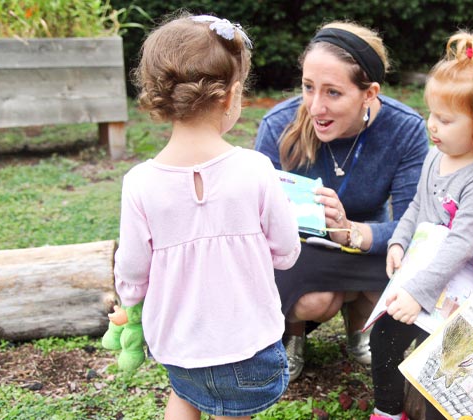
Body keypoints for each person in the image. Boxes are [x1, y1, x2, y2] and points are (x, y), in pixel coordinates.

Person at [113, 13, 301, 420]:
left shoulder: (140, 182)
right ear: (231, 95)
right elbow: (286, 251)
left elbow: (131, 268)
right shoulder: (255, 169)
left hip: (179, 347)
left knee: (184, 396)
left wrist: (130, 301)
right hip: (249, 344)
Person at [254, 21, 430, 382]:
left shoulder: (404, 128)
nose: (316, 107)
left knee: (400, 274)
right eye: (308, 88)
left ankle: (363, 325)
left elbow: (416, 222)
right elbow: (253, 220)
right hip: (300, 250)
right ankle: (291, 335)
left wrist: (350, 232)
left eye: (333, 93)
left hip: (367, 243)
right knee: (318, 301)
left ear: (369, 93)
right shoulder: (278, 125)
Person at [368, 30, 473, 420]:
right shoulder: (433, 155)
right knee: (385, 336)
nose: (432, 126)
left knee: (440, 356)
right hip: (424, 273)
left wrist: (419, 293)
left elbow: (463, 242)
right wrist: (398, 241)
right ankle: (388, 411)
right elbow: (416, 206)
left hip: (459, 286)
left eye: (445, 119)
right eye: (431, 114)